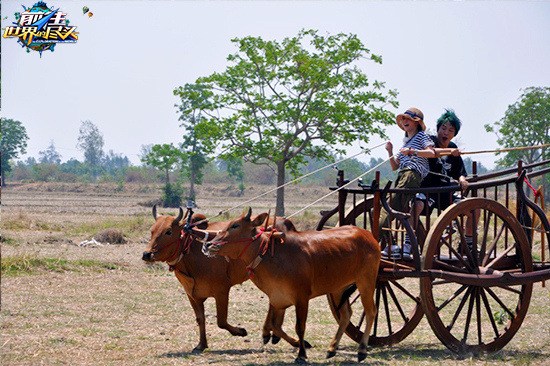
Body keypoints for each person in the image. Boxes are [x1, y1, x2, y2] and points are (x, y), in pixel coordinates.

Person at [410, 109, 476, 251]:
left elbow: (460, 172)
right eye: (443, 128)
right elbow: (431, 153)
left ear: (454, 134)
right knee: (416, 205)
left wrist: (462, 179)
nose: (446, 133)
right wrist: (449, 152)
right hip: (428, 191)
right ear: (438, 129)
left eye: (450, 130)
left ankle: (467, 245)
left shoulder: (453, 148)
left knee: (474, 210)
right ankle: (409, 244)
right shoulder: (430, 142)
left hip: (447, 194)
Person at [380, 107, 436, 260]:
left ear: (417, 123)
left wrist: (413, 151)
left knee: (390, 208)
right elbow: (394, 166)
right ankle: (391, 244)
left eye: (408, 119)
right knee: (383, 209)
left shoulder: (421, 136)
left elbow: (432, 153)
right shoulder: (405, 143)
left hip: (412, 175)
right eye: (403, 119)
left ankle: (374, 240)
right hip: (402, 175)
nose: (404, 121)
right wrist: (390, 151)